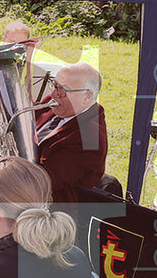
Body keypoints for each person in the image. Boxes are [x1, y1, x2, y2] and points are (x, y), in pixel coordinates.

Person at [36, 62, 108, 203]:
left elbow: (44, 181)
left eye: (63, 90)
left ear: (87, 96)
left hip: (49, 207)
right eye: (55, 85)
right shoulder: (59, 104)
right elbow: (23, 116)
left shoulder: (90, 140)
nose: (53, 94)